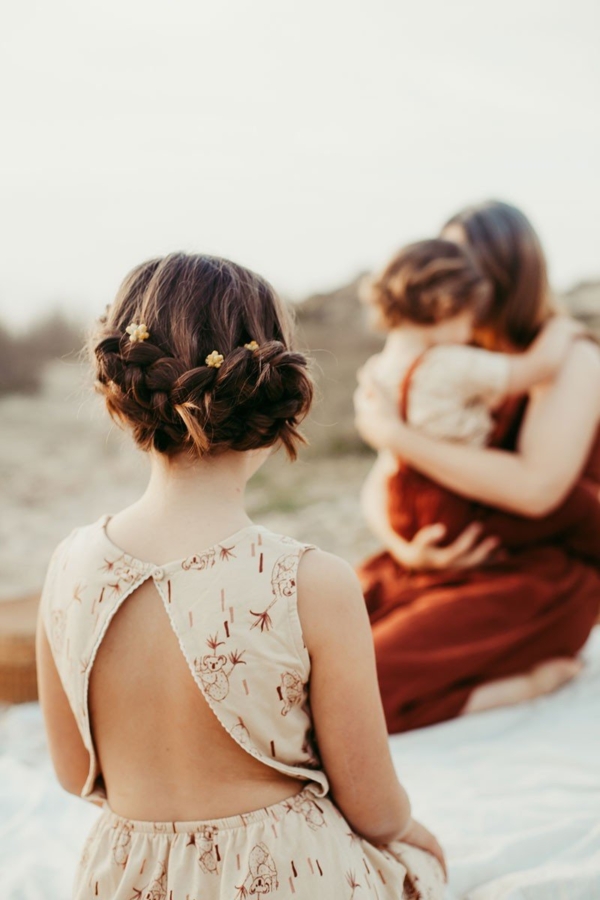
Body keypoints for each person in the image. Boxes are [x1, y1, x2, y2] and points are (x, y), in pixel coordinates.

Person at [36, 253, 445, 899]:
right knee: (421, 869)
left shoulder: (68, 563)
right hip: (286, 875)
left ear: (122, 394)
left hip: (129, 876)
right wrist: (411, 832)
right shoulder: (309, 581)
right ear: (278, 390)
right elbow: (372, 804)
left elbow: (74, 772)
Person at [354, 201, 600, 734]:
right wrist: (405, 547)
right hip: (434, 563)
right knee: (296, 649)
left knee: (357, 684)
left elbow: (538, 490)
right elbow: (384, 473)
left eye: (462, 261)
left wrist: (397, 433)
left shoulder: (567, 358)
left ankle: (524, 685)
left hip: (529, 573)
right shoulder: (449, 357)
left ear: (504, 272)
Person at [360, 236, 599, 557]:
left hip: (410, 510)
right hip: (460, 506)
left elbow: (385, 465)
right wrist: (562, 329)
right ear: (445, 304)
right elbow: (536, 368)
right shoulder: (448, 362)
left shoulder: (379, 369)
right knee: (581, 507)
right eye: (471, 314)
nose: (474, 327)